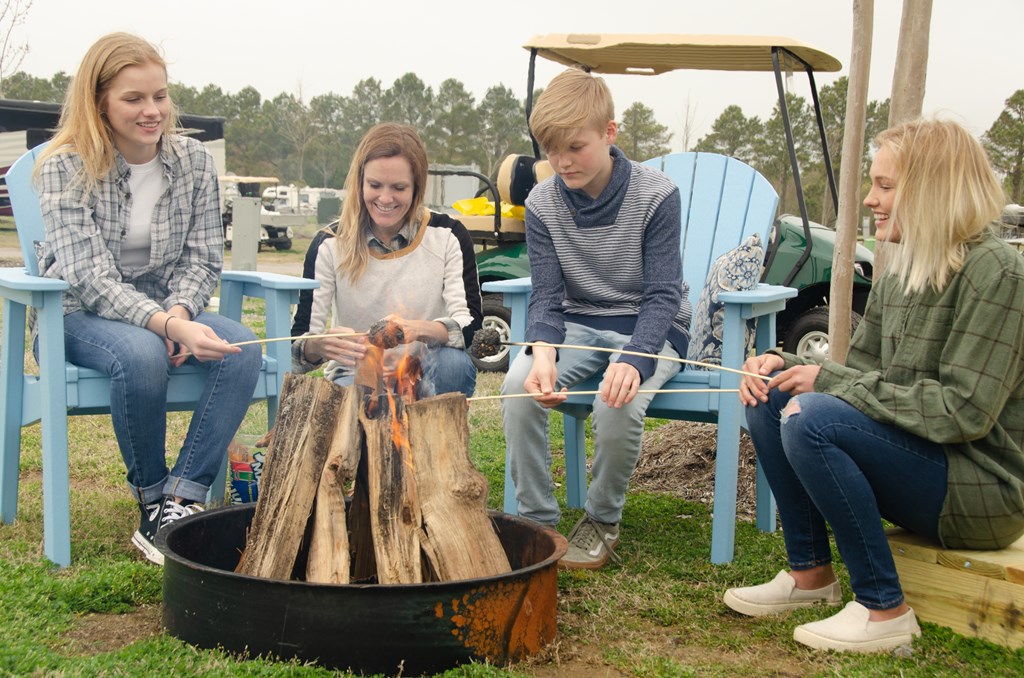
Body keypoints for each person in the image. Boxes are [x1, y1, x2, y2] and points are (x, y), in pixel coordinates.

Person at [725, 118, 1024, 652]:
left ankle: (884, 609)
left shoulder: (998, 273)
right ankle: (810, 578)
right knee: (775, 396)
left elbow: (963, 412)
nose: (869, 198)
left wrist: (825, 381)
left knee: (811, 418)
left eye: (885, 186)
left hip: (979, 490)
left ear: (934, 189)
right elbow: (856, 377)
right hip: (920, 462)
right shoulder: (903, 271)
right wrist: (781, 361)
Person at [34, 33, 263, 565]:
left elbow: (203, 257)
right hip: (76, 315)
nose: (151, 110)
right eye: (133, 98)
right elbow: (87, 277)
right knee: (138, 353)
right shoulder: (63, 167)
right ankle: (150, 497)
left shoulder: (195, 163)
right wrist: (166, 326)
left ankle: (182, 498)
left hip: (167, 311)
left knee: (244, 348)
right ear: (99, 103)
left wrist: (181, 312)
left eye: (159, 96)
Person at [500, 68, 689, 570]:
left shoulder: (657, 194)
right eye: (550, 150)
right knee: (519, 385)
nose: (561, 162)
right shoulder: (541, 203)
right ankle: (537, 520)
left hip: (650, 325)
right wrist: (542, 353)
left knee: (617, 401)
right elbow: (546, 296)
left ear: (610, 133)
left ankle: (603, 521)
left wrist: (637, 357)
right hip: (578, 323)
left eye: (575, 147)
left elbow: (664, 293)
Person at [291, 123, 482, 398]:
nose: (385, 198)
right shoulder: (329, 243)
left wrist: (418, 330)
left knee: (454, 366)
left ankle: (432, 437)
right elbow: (297, 343)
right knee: (355, 406)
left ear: (417, 187)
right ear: (360, 183)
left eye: (399, 187)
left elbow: (471, 326)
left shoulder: (448, 235)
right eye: (375, 185)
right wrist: (320, 346)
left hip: (424, 371)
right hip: (356, 373)